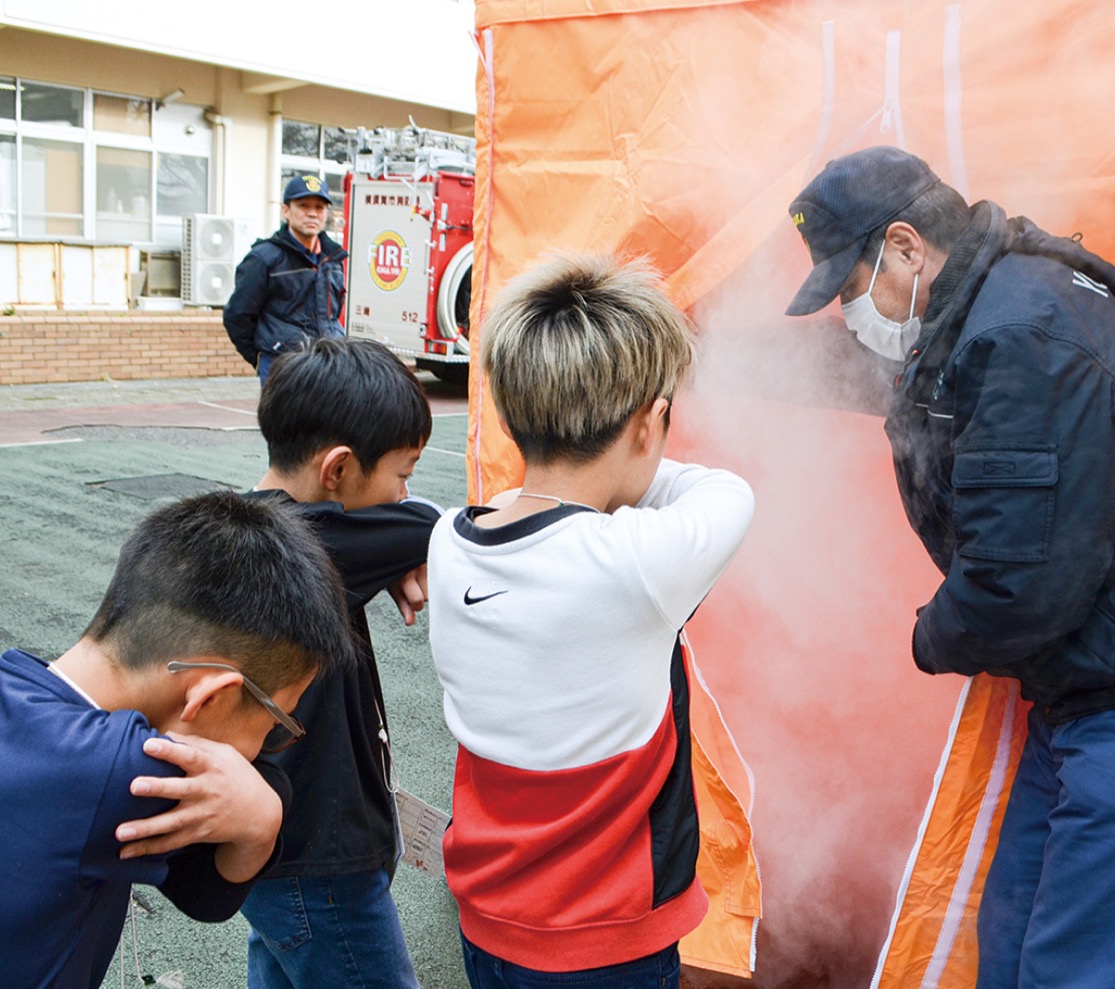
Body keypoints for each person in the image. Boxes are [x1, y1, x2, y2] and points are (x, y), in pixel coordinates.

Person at [785, 146, 1115, 987]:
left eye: (849, 285)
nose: (851, 312)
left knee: (1083, 970)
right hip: (1088, 693)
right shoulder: (993, 303)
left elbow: (1023, 583)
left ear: (904, 246)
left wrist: (926, 638)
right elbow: (888, 380)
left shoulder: (1023, 334)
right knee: (1010, 945)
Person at [426, 252, 755, 989]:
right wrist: (631, 448)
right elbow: (724, 492)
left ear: (509, 419)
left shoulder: (449, 540)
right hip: (605, 941)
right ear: (650, 424)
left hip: (487, 916)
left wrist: (589, 442)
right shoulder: (634, 562)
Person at [0, 491, 357, 989]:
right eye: (275, 724)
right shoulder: (116, 772)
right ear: (210, 698)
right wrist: (266, 812)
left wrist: (257, 819)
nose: (265, 750)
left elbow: (202, 890)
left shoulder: (22, 689)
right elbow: (213, 891)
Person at [239, 336, 443, 989]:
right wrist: (402, 551)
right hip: (320, 866)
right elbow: (442, 524)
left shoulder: (255, 531)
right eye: (401, 472)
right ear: (338, 470)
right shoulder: (309, 545)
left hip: (277, 863)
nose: (406, 491)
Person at [224, 174, 348, 384]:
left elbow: (334, 312)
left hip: (329, 365)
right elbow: (238, 316)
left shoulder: (333, 258)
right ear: (286, 211)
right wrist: (263, 355)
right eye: (303, 206)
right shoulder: (264, 258)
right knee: (286, 419)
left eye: (319, 207)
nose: (312, 214)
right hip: (285, 367)